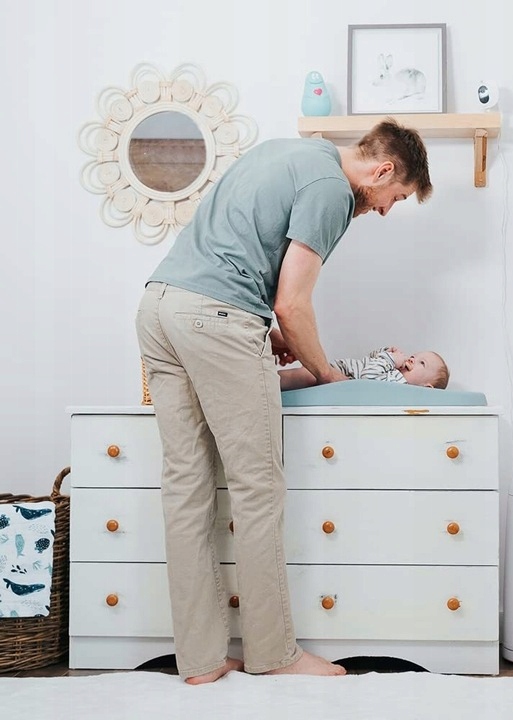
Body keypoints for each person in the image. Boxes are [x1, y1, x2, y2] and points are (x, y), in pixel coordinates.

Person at [135, 118, 432, 684]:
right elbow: (292, 304)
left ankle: (200, 660)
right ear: (382, 170)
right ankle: (274, 654)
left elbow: (231, 258)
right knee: (257, 489)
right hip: (214, 318)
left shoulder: (285, 152)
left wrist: (259, 330)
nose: (385, 210)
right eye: (395, 198)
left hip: (159, 309)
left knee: (186, 488)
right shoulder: (331, 189)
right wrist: (327, 373)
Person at [279, 346, 450, 390]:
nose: (413, 358)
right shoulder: (395, 373)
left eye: (422, 363)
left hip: (340, 374)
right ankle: (273, 381)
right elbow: (370, 361)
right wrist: (385, 352)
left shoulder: (399, 385)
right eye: (415, 355)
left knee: (306, 376)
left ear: (427, 388)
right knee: (303, 376)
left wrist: (389, 359)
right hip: (337, 371)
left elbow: (367, 380)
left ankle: (272, 382)